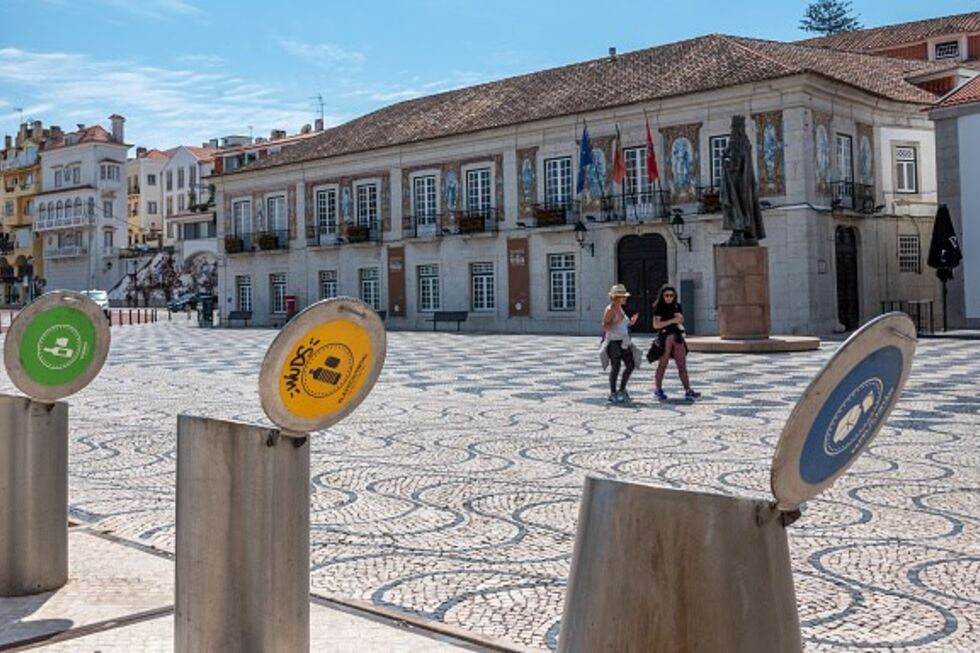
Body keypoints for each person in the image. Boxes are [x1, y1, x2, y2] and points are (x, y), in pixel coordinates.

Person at [652, 284, 700, 401]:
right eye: (666, 295)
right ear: (662, 296)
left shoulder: (677, 306)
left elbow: (680, 320)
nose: (669, 298)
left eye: (671, 295)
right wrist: (672, 320)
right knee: (663, 364)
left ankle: (688, 390)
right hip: (665, 337)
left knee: (682, 364)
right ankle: (658, 389)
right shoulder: (659, 306)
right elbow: (656, 325)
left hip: (677, 336)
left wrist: (679, 319)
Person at [600, 284, 640, 403]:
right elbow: (605, 326)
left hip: (624, 341)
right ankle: (613, 393)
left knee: (630, 364)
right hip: (614, 342)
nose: (625, 298)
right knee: (616, 367)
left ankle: (622, 389)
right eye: (623, 296)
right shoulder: (610, 309)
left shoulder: (620, 308)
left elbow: (622, 325)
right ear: (617, 297)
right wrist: (616, 322)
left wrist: (631, 322)